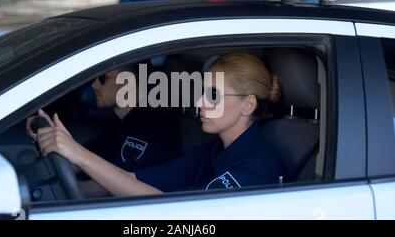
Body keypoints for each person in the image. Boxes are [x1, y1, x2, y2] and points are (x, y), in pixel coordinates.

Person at [35, 53, 285, 196]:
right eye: (201, 92)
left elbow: (181, 217)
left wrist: (78, 154)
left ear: (247, 105)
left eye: (213, 95)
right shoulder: (214, 150)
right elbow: (132, 178)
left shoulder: (259, 166)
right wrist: (71, 151)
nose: (199, 102)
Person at [26, 63, 179, 174]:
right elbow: (84, 164)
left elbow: (120, 183)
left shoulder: (153, 129)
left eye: (103, 78)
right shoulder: (117, 124)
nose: (94, 85)